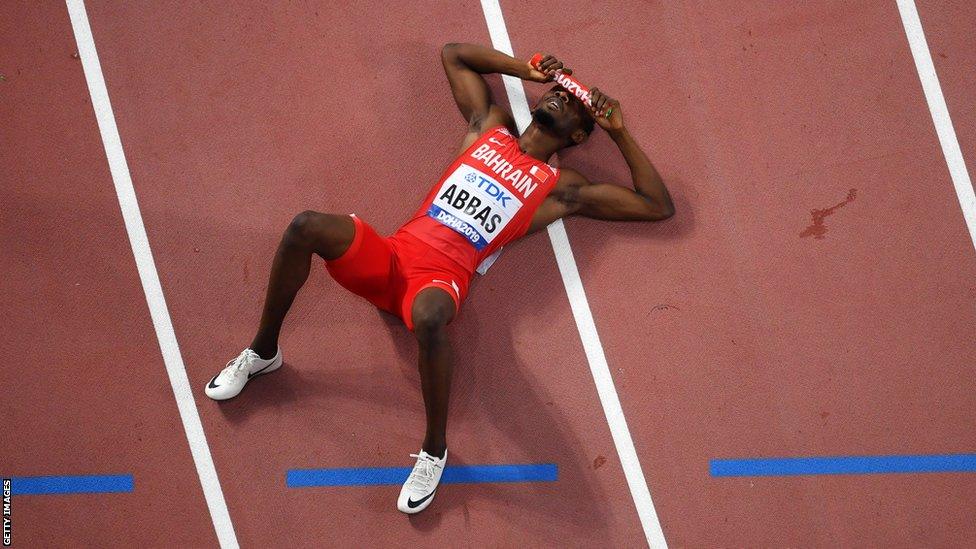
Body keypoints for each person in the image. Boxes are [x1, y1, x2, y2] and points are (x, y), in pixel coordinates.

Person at [204, 43, 674, 514]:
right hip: (391, 255)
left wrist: (619, 132)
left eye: (573, 106)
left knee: (429, 316)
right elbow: (454, 55)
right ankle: (263, 352)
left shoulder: (559, 188)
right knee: (305, 224)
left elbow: (656, 206)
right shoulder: (488, 129)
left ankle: (433, 452)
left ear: (576, 138)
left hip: (440, 282)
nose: (561, 99)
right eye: (558, 93)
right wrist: (523, 69)